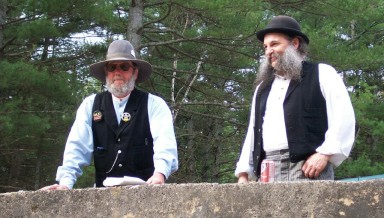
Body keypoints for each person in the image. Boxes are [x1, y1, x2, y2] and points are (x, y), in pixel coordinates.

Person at [41, 40, 178, 190]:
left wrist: (160, 174)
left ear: (135, 72)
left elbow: (165, 144)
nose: (117, 72)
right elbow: (76, 147)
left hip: (146, 193)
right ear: (106, 72)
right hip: (104, 197)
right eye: (112, 67)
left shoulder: (154, 105)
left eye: (124, 67)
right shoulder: (90, 105)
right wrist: (65, 183)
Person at [235, 15, 356, 183]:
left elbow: (344, 117)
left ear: (295, 44)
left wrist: (325, 154)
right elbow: (253, 131)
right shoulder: (262, 88)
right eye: (266, 47)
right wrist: (244, 173)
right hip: (268, 169)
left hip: (308, 168)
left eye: (275, 44)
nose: (269, 51)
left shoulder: (322, 73)